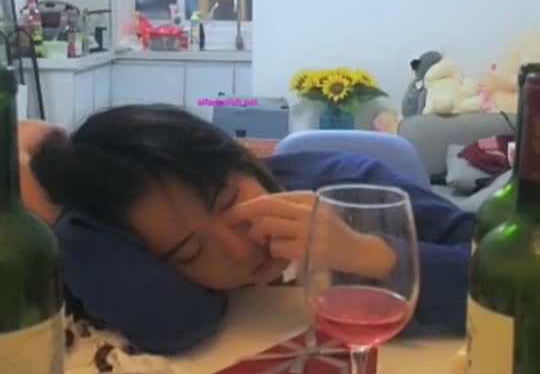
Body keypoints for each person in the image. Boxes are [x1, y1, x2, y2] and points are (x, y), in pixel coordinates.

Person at [26, 105, 474, 355]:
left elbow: (494, 273)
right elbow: (173, 325)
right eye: (190, 253)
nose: (238, 249)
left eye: (228, 202)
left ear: (243, 156)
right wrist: (52, 210)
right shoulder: (146, 270)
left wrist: (366, 253)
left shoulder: (350, 182)